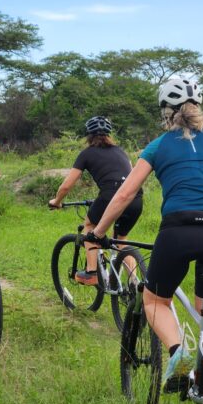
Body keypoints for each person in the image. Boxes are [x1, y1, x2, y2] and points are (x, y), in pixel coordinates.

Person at [87, 79, 203, 386]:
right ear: (198, 107)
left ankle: (179, 355)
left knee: (156, 301)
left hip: (178, 230)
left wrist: (98, 231)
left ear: (166, 111)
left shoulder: (158, 145)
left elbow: (123, 195)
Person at [49, 116, 143, 285]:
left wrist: (56, 201)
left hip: (110, 196)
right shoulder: (121, 151)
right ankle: (135, 284)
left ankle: (92, 272)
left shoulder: (87, 153)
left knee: (90, 226)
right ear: (109, 134)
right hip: (135, 197)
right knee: (121, 239)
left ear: (88, 135)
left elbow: (66, 186)